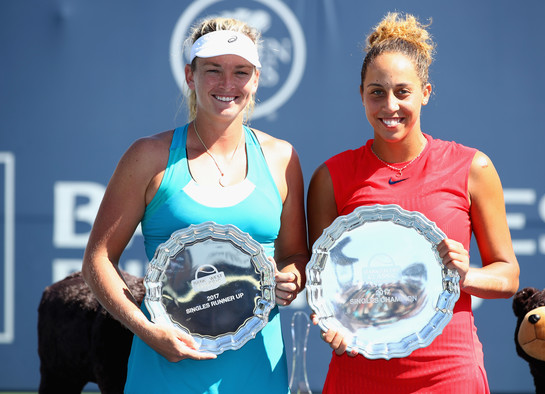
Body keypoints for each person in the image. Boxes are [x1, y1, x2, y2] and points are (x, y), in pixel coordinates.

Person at [81, 17, 309, 394]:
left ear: (255, 79)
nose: (227, 85)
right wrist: (148, 331)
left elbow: (294, 255)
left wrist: (289, 279)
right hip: (165, 371)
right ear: (190, 75)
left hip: (258, 373)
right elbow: (97, 260)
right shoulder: (148, 157)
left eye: (240, 72)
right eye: (213, 70)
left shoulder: (282, 158)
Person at [307, 12, 520, 393]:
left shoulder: (472, 166)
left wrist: (464, 274)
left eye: (402, 91)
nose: (389, 105)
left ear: (425, 92)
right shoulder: (330, 177)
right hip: (358, 370)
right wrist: (331, 321)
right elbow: (324, 286)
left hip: (448, 371)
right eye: (376, 92)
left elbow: (508, 277)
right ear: (361, 95)